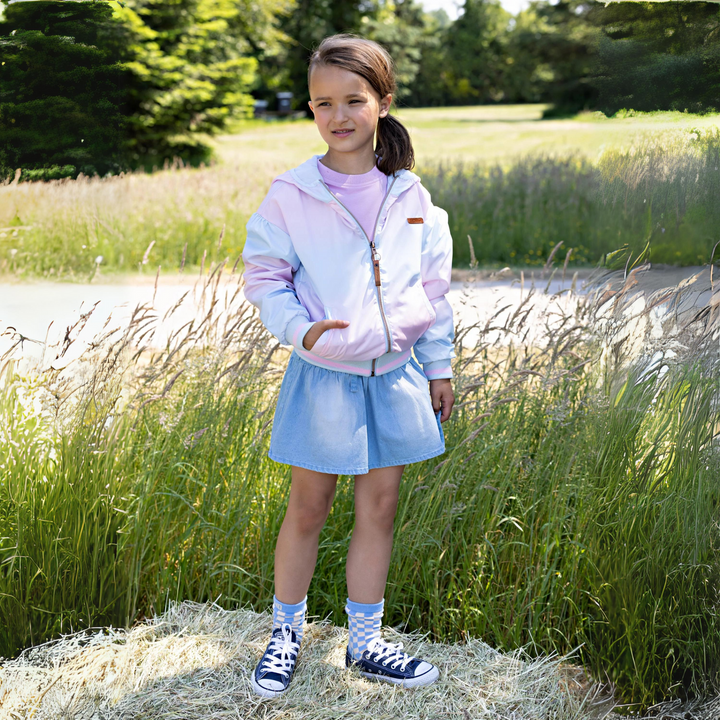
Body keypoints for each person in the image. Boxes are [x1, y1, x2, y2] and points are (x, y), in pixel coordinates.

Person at [241, 33, 455, 698]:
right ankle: (285, 636)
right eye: (322, 103)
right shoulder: (291, 195)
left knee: (381, 507)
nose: (339, 116)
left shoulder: (413, 197)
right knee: (308, 507)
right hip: (325, 374)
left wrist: (438, 366)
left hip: (395, 375)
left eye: (354, 100)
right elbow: (264, 277)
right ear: (310, 110)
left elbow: (435, 291)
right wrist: (303, 331)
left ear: (383, 103)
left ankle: (365, 646)